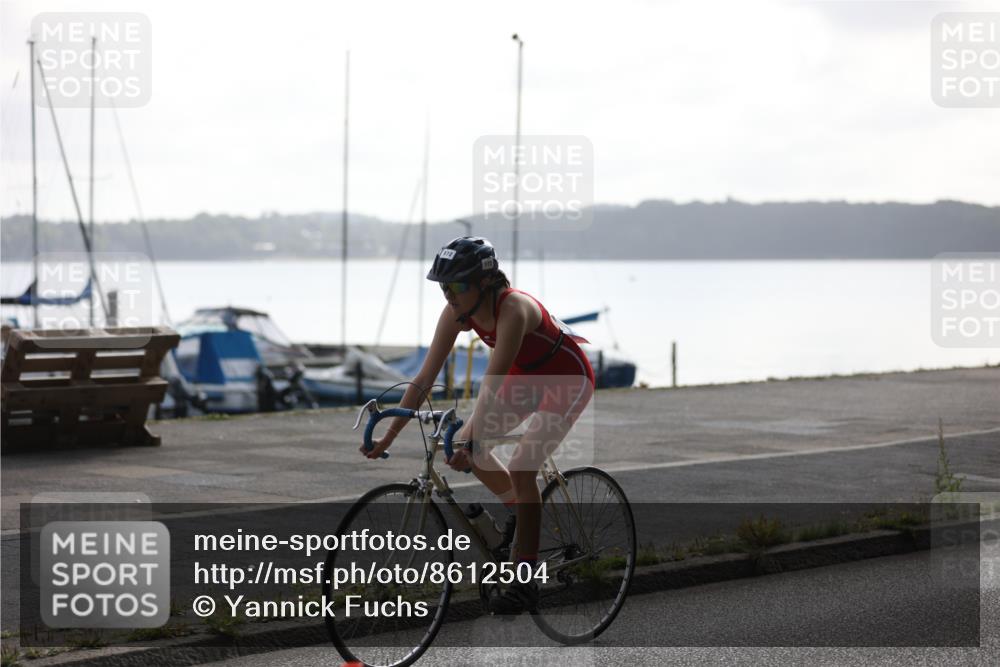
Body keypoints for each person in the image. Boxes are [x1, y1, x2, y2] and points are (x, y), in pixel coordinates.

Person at [360, 236, 595, 614]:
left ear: (484, 283)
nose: (448, 295)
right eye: (442, 287)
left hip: (566, 379)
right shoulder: (457, 311)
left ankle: (526, 579)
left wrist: (470, 434)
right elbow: (424, 378)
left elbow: (493, 381)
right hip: (526, 378)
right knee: (467, 448)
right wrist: (390, 432)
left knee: (521, 466)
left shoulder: (513, 308)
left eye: (455, 286)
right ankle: (521, 515)